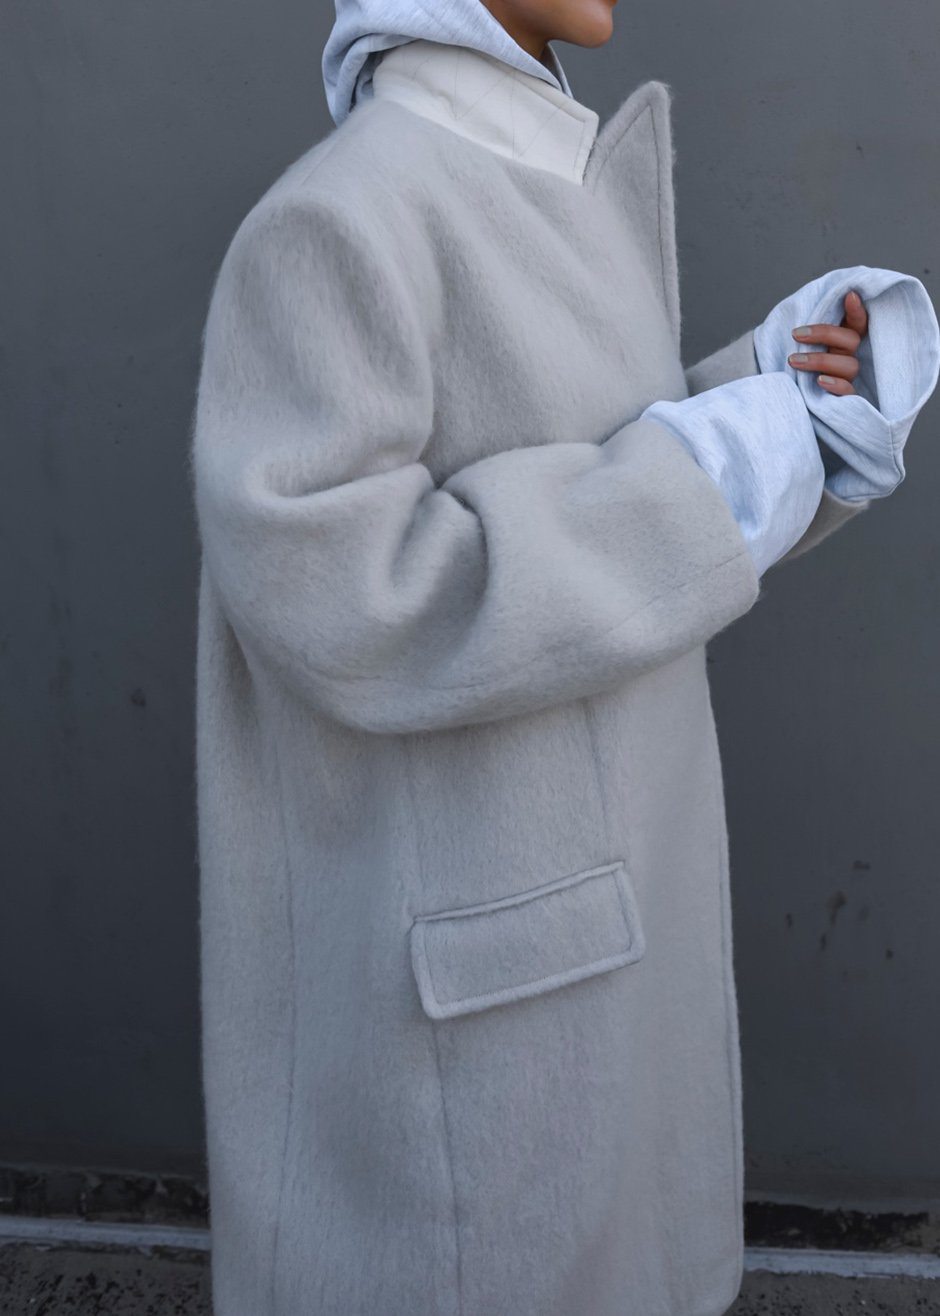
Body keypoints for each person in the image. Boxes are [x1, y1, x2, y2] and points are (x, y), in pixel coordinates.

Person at [189, 3, 940, 1313]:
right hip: (478, 996)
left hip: (586, 928)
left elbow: (592, 466)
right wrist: (718, 464)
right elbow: (345, 594)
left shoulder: (541, 174)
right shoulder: (342, 217)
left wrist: (778, 403)